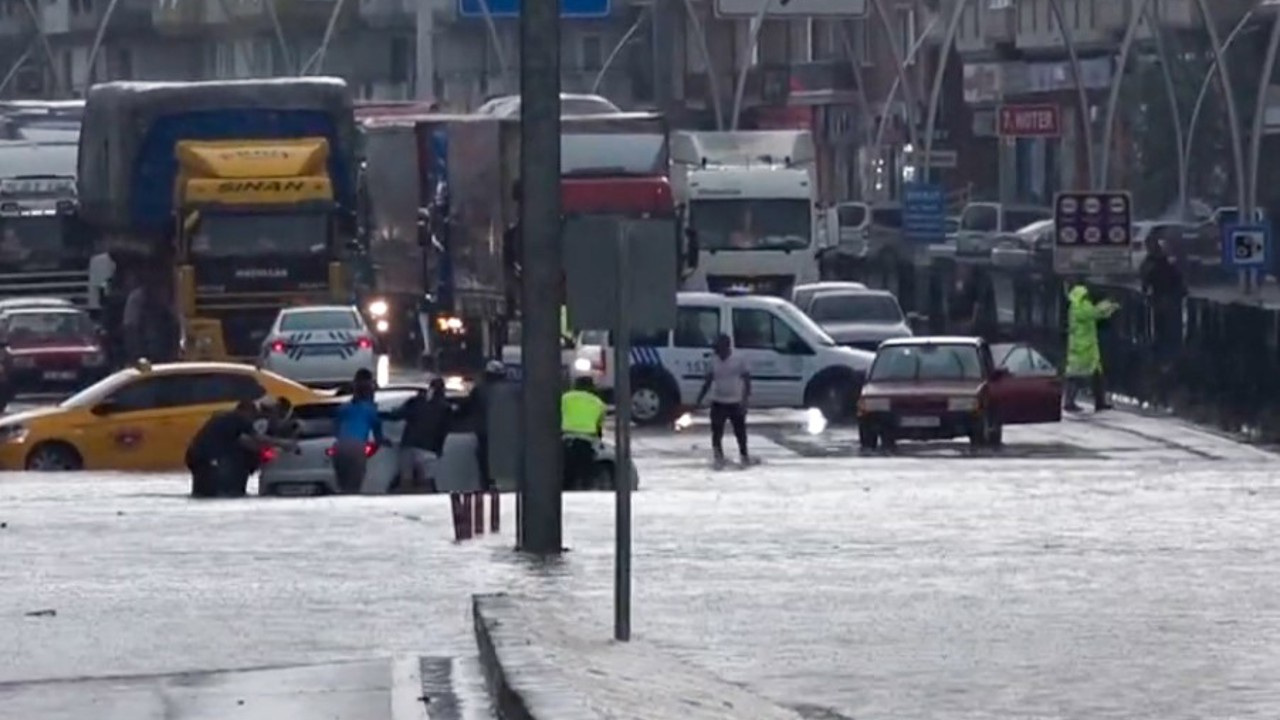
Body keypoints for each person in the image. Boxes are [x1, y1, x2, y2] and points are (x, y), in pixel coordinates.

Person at [186, 400, 294, 498]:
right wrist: (283, 444)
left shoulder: (223, 418)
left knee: (202, 492)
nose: (252, 419)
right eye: (252, 415)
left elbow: (242, 441)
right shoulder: (240, 419)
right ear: (247, 411)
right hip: (209, 459)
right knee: (219, 492)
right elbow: (258, 438)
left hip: (194, 455)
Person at [695, 334, 754, 468]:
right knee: (716, 432)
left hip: (735, 401)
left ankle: (744, 455)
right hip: (718, 401)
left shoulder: (739, 360)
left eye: (718, 347)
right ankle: (718, 457)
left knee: (740, 432)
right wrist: (699, 399)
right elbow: (708, 381)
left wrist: (745, 400)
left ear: (726, 347)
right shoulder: (713, 360)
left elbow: (747, 380)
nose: (716, 351)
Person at [1065, 283, 1120, 412]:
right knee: (1078, 376)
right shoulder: (1081, 308)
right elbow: (1096, 313)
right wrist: (1109, 304)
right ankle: (1071, 403)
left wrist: (1110, 307)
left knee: (1094, 376)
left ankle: (1098, 402)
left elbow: (1097, 314)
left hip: (1085, 348)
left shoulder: (1075, 307)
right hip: (1083, 349)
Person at [392, 377, 452, 492]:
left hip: (408, 445)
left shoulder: (416, 402)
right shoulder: (445, 408)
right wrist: (439, 450)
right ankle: (424, 504)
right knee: (425, 483)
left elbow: (396, 415)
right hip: (428, 448)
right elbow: (444, 431)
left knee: (406, 481)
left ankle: (405, 504)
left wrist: (378, 413)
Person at [333, 368, 388, 493]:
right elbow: (378, 434)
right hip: (357, 446)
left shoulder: (343, 408)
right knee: (354, 485)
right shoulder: (370, 410)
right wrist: (382, 442)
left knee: (342, 485)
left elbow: (335, 429)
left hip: (339, 446)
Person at [1140, 236, 1186, 360]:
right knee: (1162, 324)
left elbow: (1176, 278)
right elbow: (1145, 280)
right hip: (1161, 297)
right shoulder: (1154, 262)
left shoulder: (1163, 262)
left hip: (1167, 297)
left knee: (1169, 325)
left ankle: (1169, 349)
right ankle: (1164, 349)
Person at [561, 375, 607, 490]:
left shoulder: (564, 398)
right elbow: (599, 427)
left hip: (567, 439)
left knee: (566, 474)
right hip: (587, 441)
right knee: (586, 475)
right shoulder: (599, 403)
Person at [468, 360, 507, 491]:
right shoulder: (506, 391)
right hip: (502, 431)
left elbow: (467, 408)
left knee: (484, 457)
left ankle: (487, 483)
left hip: (484, 430)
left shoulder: (479, 389)